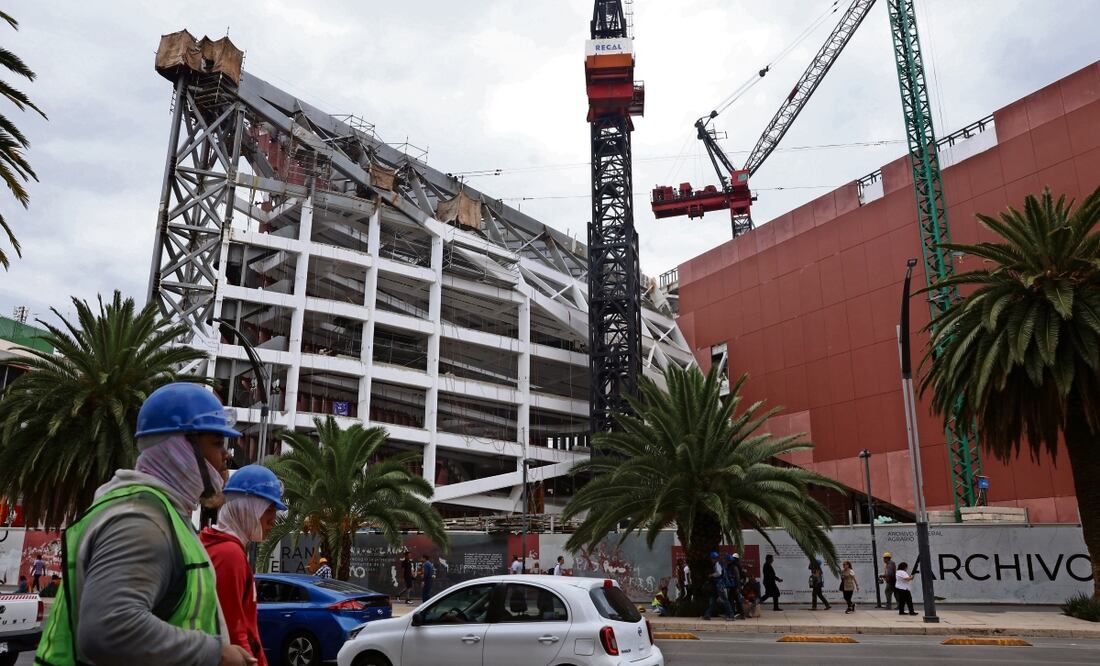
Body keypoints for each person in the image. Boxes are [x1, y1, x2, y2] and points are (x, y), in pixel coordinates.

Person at [34, 381, 256, 666]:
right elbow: (109, 629)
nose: (227, 455)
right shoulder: (140, 520)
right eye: (216, 443)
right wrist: (216, 654)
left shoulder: (160, 513)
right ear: (180, 448)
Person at [201, 465, 287, 666]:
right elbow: (234, 629)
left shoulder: (212, 543)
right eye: (269, 509)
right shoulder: (229, 554)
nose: (273, 520)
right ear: (248, 507)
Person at [702, 551, 733, 621]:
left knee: (725, 600)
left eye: (712, 558)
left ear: (714, 558)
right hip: (717, 585)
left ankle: (731, 615)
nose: (711, 560)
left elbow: (719, 573)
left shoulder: (717, 564)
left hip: (719, 585)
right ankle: (707, 614)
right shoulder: (718, 564)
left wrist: (711, 575)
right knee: (713, 600)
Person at [725, 553, 745, 619]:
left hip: (734, 586)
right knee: (734, 599)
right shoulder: (731, 566)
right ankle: (737, 613)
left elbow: (737, 577)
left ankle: (736, 614)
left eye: (727, 560)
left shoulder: (734, 567)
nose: (726, 561)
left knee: (735, 600)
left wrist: (738, 588)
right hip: (732, 586)